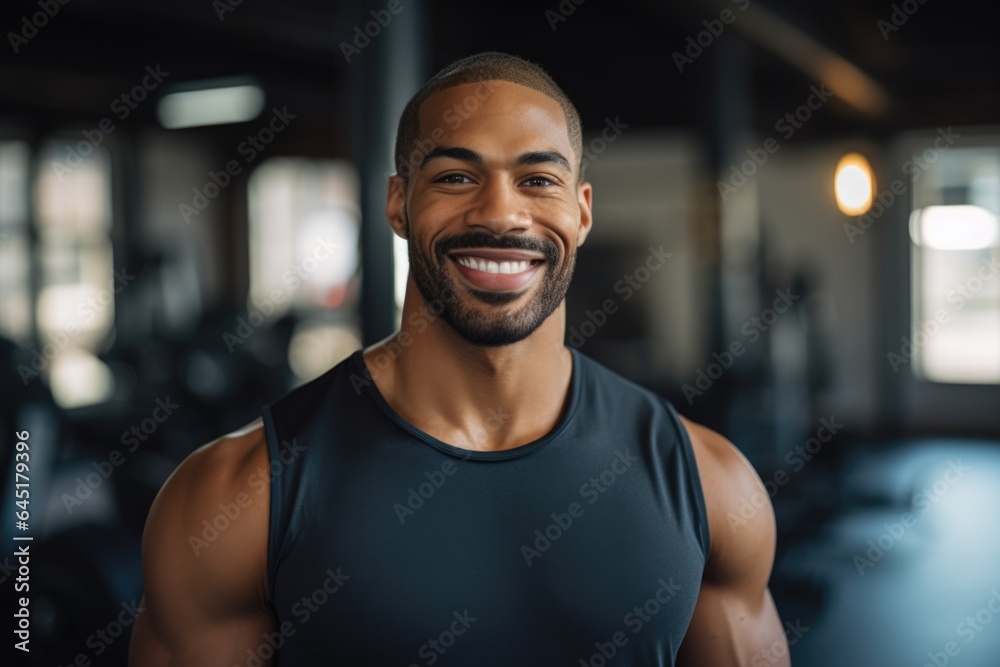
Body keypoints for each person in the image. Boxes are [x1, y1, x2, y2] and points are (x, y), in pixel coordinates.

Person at [129, 51, 789, 666]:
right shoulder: (235, 496)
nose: (501, 211)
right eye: (454, 176)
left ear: (581, 212)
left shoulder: (712, 486)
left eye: (537, 179)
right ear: (398, 202)